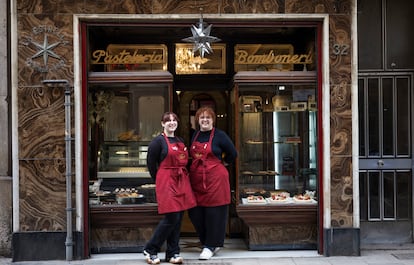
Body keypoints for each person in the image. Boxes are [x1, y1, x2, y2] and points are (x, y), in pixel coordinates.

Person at [143, 112, 196, 265]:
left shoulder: (180, 140)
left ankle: (173, 253)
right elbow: (151, 165)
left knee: (178, 218)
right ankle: (150, 249)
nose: (171, 123)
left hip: (180, 180)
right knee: (171, 217)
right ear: (162, 123)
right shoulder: (157, 142)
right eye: (168, 121)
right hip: (166, 181)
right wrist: (159, 180)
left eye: (174, 120)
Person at [188, 106, 238, 260]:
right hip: (197, 178)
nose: (204, 120)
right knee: (195, 213)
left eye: (208, 118)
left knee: (214, 213)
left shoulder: (220, 135)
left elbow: (233, 153)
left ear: (212, 120)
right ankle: (207, 242)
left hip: (216, 179)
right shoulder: (195, 135)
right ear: (198, 120)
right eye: (201, 118)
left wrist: (222, 164)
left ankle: (210, 245)